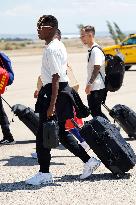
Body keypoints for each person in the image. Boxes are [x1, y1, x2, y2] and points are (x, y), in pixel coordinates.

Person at [25, 15, 101, 185]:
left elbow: (55, 77)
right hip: (60, 92)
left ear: (51, 28)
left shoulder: (52, 48)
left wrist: (51, 104)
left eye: (41, 27)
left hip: (55, 94)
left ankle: (44, 173)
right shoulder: (58, 45)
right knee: (61, 133)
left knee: (43, 133)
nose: (38, 30)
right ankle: (89, 161)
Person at [80, 26, 108, 120]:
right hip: (95, 86)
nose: (81, 38)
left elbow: (97, 68)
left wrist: (89, 84)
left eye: (83, 36)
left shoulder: (95, 50)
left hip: (97, 87)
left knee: (96, 112)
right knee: (96, 111)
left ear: (90, 35)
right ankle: (110, 129)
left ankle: (111, 129)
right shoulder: (92, 50)